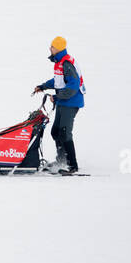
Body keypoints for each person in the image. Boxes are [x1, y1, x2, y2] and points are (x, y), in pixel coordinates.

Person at [31, 35, 84, 174]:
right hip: (63, 101)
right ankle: (61, 160)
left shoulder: (67, 64)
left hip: (71, 102)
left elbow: (73, 86)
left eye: (52, 47)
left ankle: (72, 165)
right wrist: (42, 86)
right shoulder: (59, 62)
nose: (50, 48)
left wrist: (57, 96)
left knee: (65, 133)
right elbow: (57, 81)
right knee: (56, 131)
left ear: (58, 48)